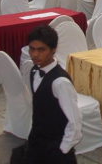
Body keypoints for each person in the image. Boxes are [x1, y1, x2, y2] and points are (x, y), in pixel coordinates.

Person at [24, 26, 82, 164]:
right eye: (32, 49)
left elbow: (74, 120)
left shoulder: (60, 82)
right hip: (36, 142)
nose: (35, 54)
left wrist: (63, 149)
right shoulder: (34, 70)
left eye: (41, 50)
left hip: (56, 148)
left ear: (53, 49)